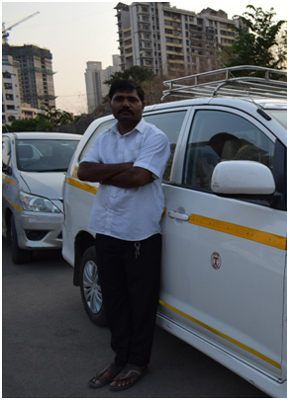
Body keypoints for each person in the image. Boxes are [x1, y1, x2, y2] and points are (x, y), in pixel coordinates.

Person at [78, 80, 171, 391]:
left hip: (139, 233)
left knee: (140, 302)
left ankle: (137, 361)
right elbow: (84, 172)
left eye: (132, 99)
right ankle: (120, 359)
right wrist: (126, 166)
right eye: (119, 99)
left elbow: (139, 177)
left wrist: (107, 171)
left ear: (142, 105)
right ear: (111, 104)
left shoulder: (154, 137)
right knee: (115, 299)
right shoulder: (104, 137)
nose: (126, 104)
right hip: (106, 229)